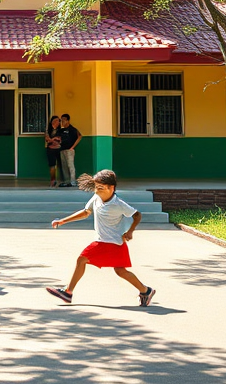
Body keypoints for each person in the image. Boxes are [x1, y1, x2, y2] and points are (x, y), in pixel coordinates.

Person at [46, 169, 156, 307]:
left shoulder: (118, 204)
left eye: (100, 188)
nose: (97, 191)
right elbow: (86, 212)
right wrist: (63, 221)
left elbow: (137, 215)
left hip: (111, 242)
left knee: (82, 260)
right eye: (96, 187)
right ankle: (146, 291)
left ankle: (68, 292)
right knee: (120, 271)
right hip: (109, 242)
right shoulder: (96, 198)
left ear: (111, 188)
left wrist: (130, 231)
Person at [58, 114, 81, 187]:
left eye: (64, 120)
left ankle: (73, 181)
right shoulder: (61, 130)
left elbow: (80, 136)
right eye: (61, 120)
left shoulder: (72, 129)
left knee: (70, 165)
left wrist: (72, 147)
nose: (63, 122)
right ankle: (67, 181)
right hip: (62, 149)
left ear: (68, 120)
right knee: (64, 166)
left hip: (69, 150)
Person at [45, 115, 63, 188]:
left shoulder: (60, 130)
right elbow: (47, 139)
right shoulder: (48, 130)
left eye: (58, 121)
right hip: (50, 149)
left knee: (60, 165)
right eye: (55, 121)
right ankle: (53, 180)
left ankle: (61, 180)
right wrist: (54, 139)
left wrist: (56, 139)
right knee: (52, 165)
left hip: (59, 149)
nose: (57, 122)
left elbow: (61, 139)